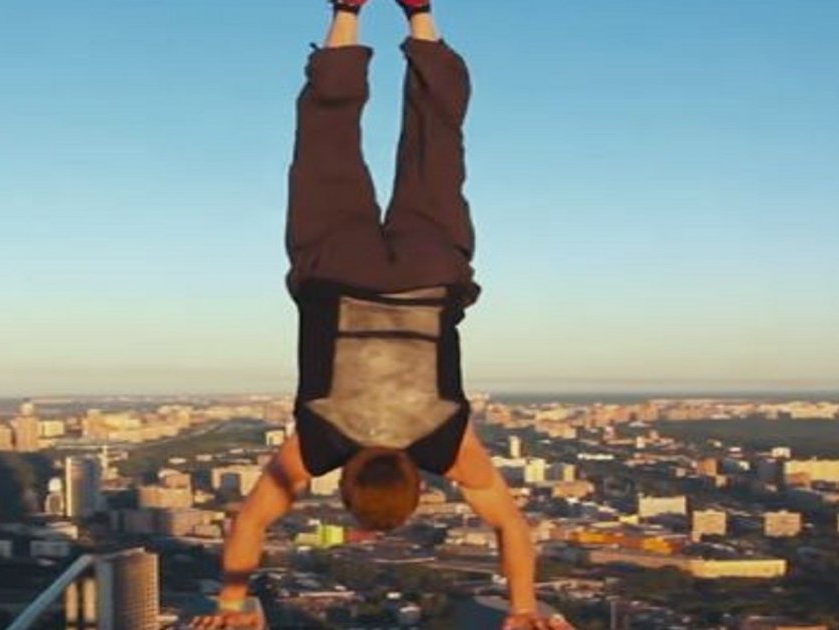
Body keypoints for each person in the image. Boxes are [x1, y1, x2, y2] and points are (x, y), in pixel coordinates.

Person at [192, 1, 573, 629]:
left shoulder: (446, 444)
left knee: (437, 149)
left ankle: (421, 17)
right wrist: (231, 604)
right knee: (326, 141)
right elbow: (251, 520)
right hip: (337, 270)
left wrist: (524, 608)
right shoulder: (319, 441)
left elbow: (508, 524)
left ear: (419, 485)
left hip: (430, 273)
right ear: (344, 485)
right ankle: (347, 12)